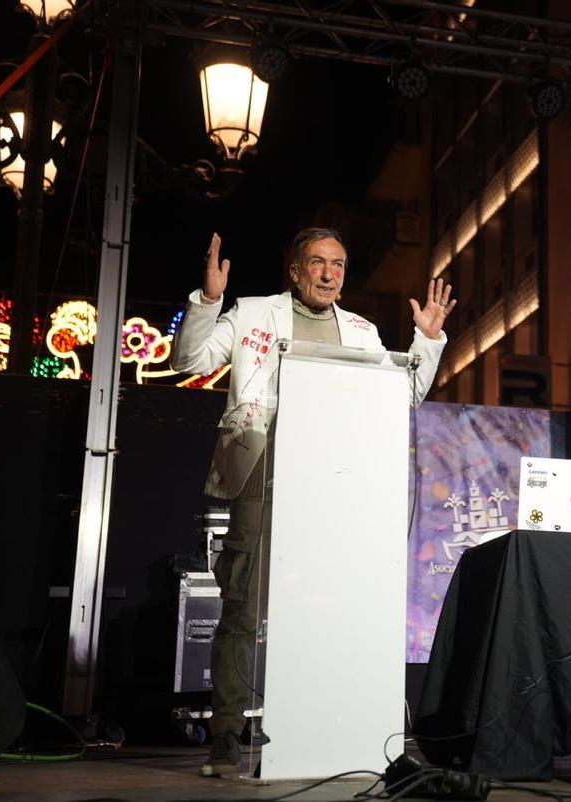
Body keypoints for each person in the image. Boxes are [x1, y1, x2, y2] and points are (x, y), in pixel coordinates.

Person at [171, 227, 456, 778]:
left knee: (327, 604)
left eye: (339, 265)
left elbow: (404, 395)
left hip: (336, 481)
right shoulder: (253, 313)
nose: (329, 274)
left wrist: (427, 342)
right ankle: (228, 729)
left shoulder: (362, 330)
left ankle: (322, 723)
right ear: (296, 270)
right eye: (318, 263)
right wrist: (208, 302)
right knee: (244, 602)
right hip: (261, 467)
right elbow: (189, 360)